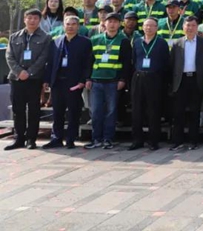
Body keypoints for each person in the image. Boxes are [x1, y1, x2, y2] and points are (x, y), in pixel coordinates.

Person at [5, 9, 53, 150]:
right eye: (29, 18)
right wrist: (19, 72)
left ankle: (31, 139)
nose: (32, 21)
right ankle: (19, 138)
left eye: (35, 18)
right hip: (16, 78)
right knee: (18, 109)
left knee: (34, 110)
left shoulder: (45, 37)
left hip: (35, 79)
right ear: (24, 19)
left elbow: (43, 58)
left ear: (39, 20)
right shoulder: (14, 37)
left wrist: (30, 72)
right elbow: (9, 56)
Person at [42, 15, 92, 149]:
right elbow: (50, 63)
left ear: (78, 26)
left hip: (74, 83)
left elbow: (87, 63)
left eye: (73, 24)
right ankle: (56, 138)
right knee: (57, 112)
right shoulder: (56, 41)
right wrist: (47, 80)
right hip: (58, 82)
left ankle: (71, 138)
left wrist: (83, 80)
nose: (70, 27)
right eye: (68, 24)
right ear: (63, 26)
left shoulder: (85, 42)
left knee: (73, 112)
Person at [86, 12, 132, 149]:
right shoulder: (95, 39)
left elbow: (126, 63)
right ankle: (96, 139)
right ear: (104, 23)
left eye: (115, 22)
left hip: (113, 81)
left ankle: (108, 139)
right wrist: (87, 78)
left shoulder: (124, 40)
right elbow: (89, 60)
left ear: (119, 24)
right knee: (96, 111)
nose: (112, 24)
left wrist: (123, 79)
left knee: (111, 112)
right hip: (96, 80)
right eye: (109, 21)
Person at [169, 16, 203, 150]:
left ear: (197, 27)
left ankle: (193, 141)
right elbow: (172, 64)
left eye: (193, 25)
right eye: (187, 25)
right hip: (181, 81)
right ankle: (177, 141)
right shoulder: (177, 43)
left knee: (195, 112)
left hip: (196, 79)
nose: (190, 28)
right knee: (178, 112)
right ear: (183, 27)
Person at [128, 17, 170, 151]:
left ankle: (153, 141)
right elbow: (134, 60)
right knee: (137, 110)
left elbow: (166, 63)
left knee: (153, 110)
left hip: (155, 79)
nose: (149, 28)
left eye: (152, 26)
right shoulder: (137, 42)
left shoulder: (161, 43)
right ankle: (137, 140)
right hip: (139, 77)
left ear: (156, 28)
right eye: (146, 25)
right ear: (142, 27)